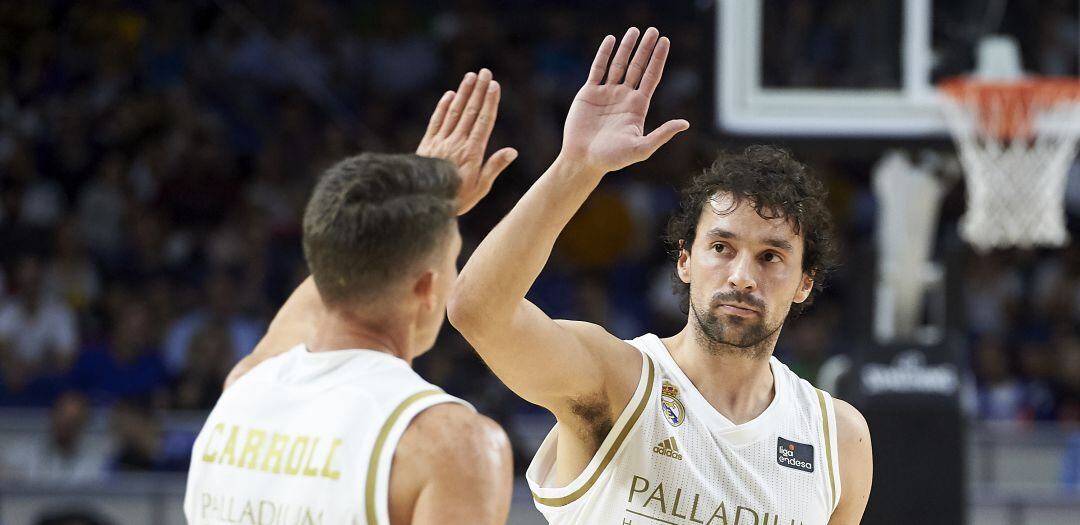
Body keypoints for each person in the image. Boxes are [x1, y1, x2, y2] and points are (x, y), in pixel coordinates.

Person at [447, 28, 873, 524]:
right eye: (721, 247)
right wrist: (577, 167)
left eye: (771, 256)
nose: (741, 276)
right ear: (684, 260)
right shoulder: (618, 380)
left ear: (805, 282)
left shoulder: (839, 437)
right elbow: (478, 309)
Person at [185, 69, 516, 525]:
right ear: (425, 287)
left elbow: (337, 261)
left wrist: (412, 201)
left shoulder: (244, 388)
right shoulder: (453, 445)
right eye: (453, 261)